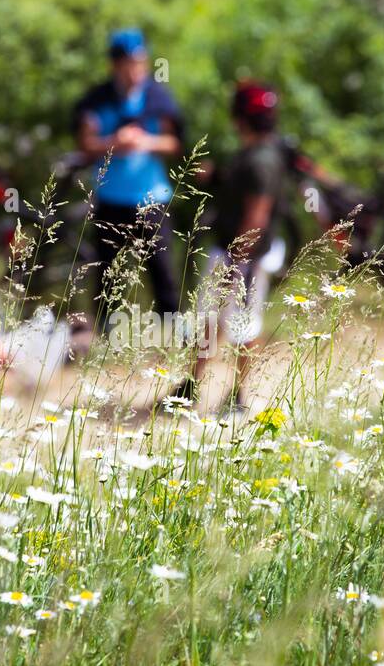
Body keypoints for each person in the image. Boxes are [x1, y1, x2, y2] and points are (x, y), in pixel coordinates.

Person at [176, 80, 290, 411]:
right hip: (232, 254)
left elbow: (256, 218)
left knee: (242, 327)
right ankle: (190, 387)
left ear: (239, 117)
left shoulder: (261, 161)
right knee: (211, 321)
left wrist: (235, 264)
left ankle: (238, 397)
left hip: (243, 259)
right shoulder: (257, 154)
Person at [73, 28, 185, 329]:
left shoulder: (157, 95)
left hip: (152, 200)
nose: (136, 70)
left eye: (140, 62)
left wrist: (145, 142)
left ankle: (174, 335)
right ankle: (105, 341)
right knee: (108, 275)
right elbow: (85, 142)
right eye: (129, 64)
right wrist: (114, 143)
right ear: (115, 65)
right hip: (111, 199)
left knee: (163, 275)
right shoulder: (98, 100)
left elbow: (174, 142)